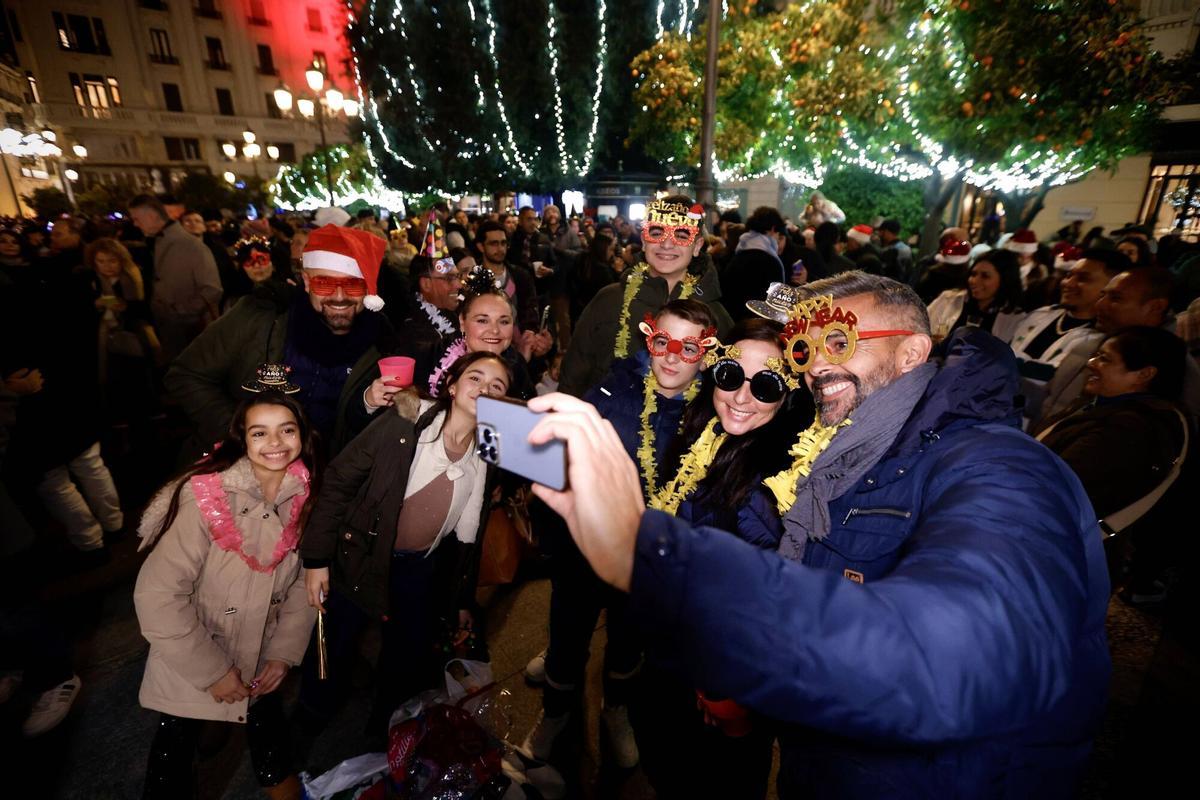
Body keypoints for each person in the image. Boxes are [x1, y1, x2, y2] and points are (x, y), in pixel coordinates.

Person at [525, 272, 1110, 799]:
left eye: (840, 341)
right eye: (804, 347)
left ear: (912, 352)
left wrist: (654, 552)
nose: (815, 365)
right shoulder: (845, 459)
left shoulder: (1001, 466)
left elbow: (968, 658)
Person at [523, 299, 718, 769]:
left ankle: (616, 709)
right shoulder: (613, 388)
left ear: (706, 355)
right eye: (662, 343)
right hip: (584, 550)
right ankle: (554, 715)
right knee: (568, 635)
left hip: (649, 561)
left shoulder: (712, 415)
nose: (672, 357)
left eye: (688, 348)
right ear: (648, 342)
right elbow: (563, 457)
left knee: (629, 644)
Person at [295, 352, 509, 742]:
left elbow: (469, 535)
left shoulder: (488, 450)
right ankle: (306, 724)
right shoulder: (405, 424)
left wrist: (461, 599)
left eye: (497, 387)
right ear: (452, 385)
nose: (484, 389)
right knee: (333, 648)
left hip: (417, 569)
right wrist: (316, 559)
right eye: (475, 378)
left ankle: (383, 740)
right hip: (361, 556)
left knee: (403, 660)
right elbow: (340, 480)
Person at [634, 317, 805, 800]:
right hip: (675, 648)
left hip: (718, 675)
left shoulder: (775, 481)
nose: (741, 397)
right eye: (731, 376)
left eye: (767, 385)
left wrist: (728, 690)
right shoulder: (704, 433)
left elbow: (767, 597)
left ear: (789, 395)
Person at [134, 389, 318, 800]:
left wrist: (283, 653)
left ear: (302, 436)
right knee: (173, 752)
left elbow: (304, 587)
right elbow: (157, 595)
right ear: (241, 439)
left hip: (261, 654)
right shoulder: (204, 499)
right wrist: (212, 673)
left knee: (270, 738)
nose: (274, 443)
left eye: (286, 430)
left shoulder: (310, 500)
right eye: (259, 433)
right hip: (195, 652)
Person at [166, 224, 396, 460]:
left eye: (352, 284)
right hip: (234, 467)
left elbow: (358, 420)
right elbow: (187, 375)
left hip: (322, 479)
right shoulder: (262, 316)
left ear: (368, 289)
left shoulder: (380, 341)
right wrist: (241, 436)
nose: (339, 297)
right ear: (306, 282)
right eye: (324, 284)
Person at [560, 195, 734, 396]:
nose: (667, 244)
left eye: (682, 235)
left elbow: (724, 394)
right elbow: (572, 377)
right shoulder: (609, 300)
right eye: (657, 232)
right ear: (643, 241)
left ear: (697, 246)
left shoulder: (715, 315)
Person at [1035, 327, 1186, 521]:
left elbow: (1054, 484)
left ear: (1144, 374)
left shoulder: (1127, 429)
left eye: (1104, 359)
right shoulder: (1098, 405)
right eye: (1095, 356)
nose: (1091, 364)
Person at [1009, 249, 1128, 423]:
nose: (1068, 283)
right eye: (1069, 275)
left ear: (1110, 286)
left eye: (1083, 278)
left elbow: (1052, 386)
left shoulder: (1102, 341)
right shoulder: (1040, 315)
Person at [128, 194, 222, 361]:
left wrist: (179, 312)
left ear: (152, 216)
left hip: (190, 333)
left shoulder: (191, 245)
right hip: (169, 331)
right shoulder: (155, 242)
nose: (134, 224)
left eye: (136, 218)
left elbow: (212, 289)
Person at [422, 267, 537, 400]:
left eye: (504, 322)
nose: (495, 330)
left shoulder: (517, 370)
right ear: (462, 322)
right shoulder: (432, 357)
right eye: (482, 320)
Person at [84, 238, 160, 422]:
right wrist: (96, 304)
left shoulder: (134, 279)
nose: (107, 266)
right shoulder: (90, 280)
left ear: (122, 260)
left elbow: (148, 309)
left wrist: (127, 306)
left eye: (112, 261)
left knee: (136, 375)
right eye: (101, 261)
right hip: (102, 337)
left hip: (132, 335)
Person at [926, 248, 1026, 343]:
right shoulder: (949, 299)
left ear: (1005, 280)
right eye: (973, 274)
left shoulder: (1015, 319)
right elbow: (921, 326)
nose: (974, 281)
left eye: (985, 276)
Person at [719, 206, 789, 322]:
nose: (777, 239)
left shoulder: (736, 254)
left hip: (733, 322)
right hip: (760, 327)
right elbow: (776, 304)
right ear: (772, 229)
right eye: (778, 234)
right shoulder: (770, 261)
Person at [475, 219, 540, 333]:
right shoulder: (473, 278)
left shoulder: (521, 276)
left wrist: (529, 334)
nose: (500, 249)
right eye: (494, 243)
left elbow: (531, 311)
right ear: (481, 247)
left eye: (503, 243)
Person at [877, 219, 913, 283]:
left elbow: (903, 274)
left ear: (887, 231)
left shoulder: (902, 249)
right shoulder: (883, 246)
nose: (878, 234)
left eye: (881, 231)